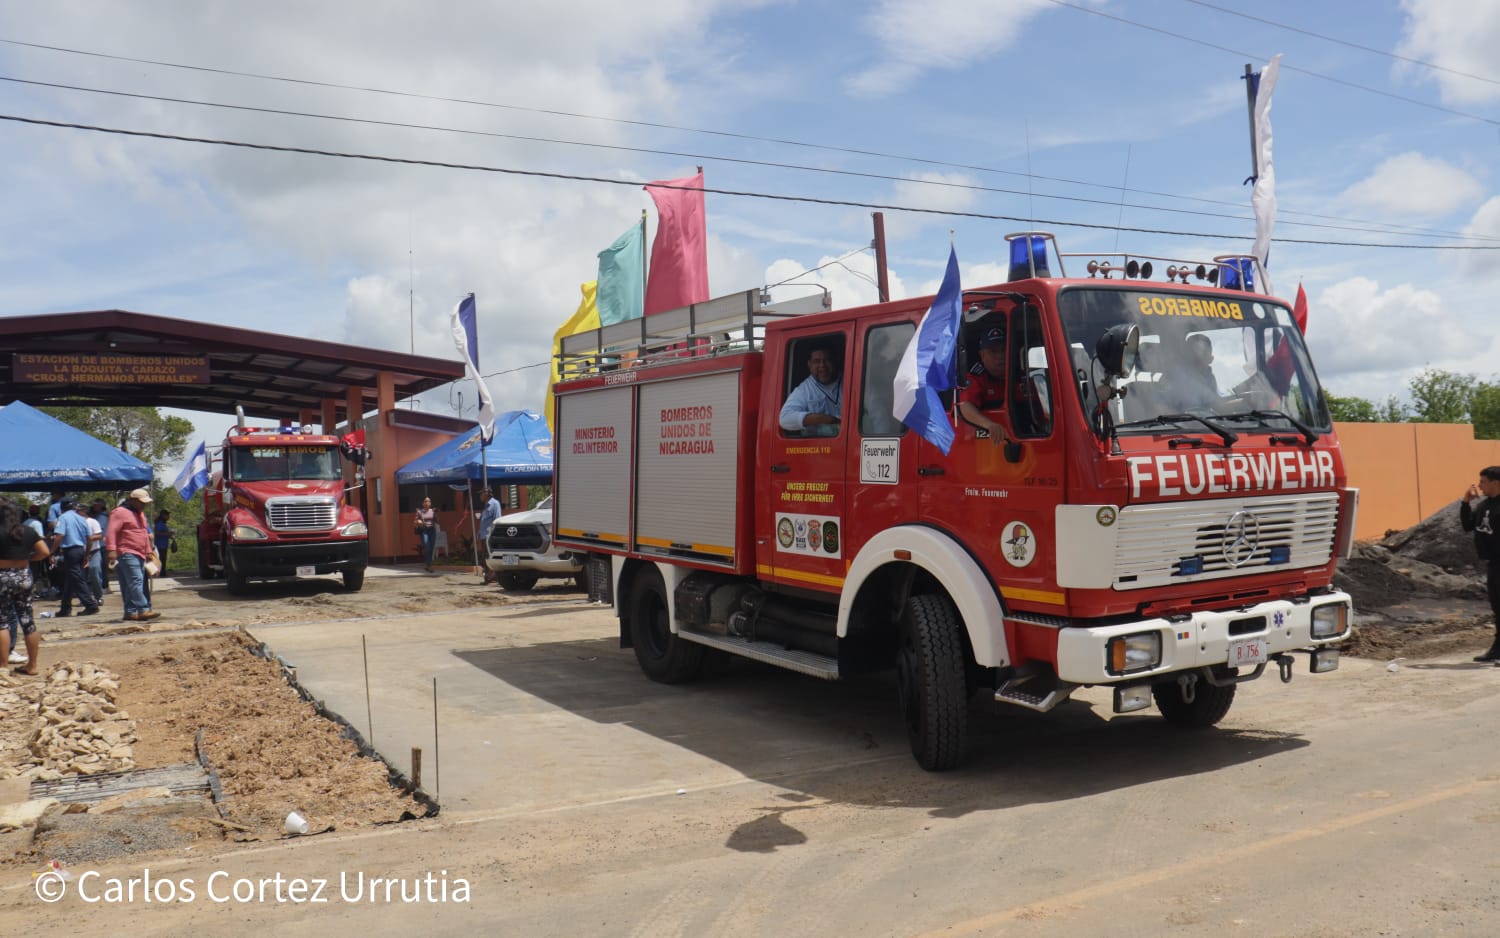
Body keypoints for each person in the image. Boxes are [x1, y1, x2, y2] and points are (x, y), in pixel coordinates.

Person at [0, 499, 51, 676]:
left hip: (2, 577)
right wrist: (28, 558)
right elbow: (44, 552)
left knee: (2, 621)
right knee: (27, 620)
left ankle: (3, 666)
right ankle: (33, 665)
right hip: (23, 575)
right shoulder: (28, 531)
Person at [1462, 467, 1500, 662]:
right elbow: (1468, 525)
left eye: (1483, 481)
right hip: (1493, 563)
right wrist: (1466, 502)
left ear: (1495, 482)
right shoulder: (1485, 505)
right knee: (1497, 607)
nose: (1480, 485)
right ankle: (1497, 649)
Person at [105, 488, 161, 623]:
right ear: (132, 500)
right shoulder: (119, 513)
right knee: (136, 581)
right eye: (142, 502)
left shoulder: (139, 514)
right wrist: (111, 550)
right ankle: (143, 609)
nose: (144, 505)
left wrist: (148, 551)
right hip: (126, 552)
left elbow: (143, 533)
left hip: (140, 553)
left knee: (128, 583)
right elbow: (111, 532)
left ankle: (130, 612)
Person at [958, 325, 1011, 446]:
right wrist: (990, 425)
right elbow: (964, 406)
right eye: (993, 351)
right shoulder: (977, 378)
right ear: (982, 355)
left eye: (1004, 350)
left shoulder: (1020, 376)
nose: (1000, 356)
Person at [779, 344, 843, 436]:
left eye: (827, 360)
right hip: (823, 446)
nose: (822, 365)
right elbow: (785, 419)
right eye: (817, 361)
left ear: (834, 361)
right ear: (809, 364)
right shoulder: (804, 390)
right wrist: (829, 420)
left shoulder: (850, 378)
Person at [52, 499, 100, 618]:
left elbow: (60, 535)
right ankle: (65, 608)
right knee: (70, 579)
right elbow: (89, 539)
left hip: (70, 551)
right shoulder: (81, 518)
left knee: (77, 578)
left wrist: (51, 552)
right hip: (80, 550)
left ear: (62, 509)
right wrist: (86, 554)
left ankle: (90, 605)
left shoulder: (63, 518)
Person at [1169, 334, 1222, 412]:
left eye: (1203, 353)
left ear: (1211, 359)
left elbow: (1218, 405)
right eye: (1194, 353)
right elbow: (1159, 407)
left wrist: (1244, 401)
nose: (1198, 357)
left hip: (1207, 422)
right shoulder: (1174, 378)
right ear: (1185, 356)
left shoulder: (1209, 377)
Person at [476, 488, 502, 584]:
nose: (480, 496)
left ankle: (491, 576)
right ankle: (489, 576)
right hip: (483, 535)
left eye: (481, 494)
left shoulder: (495, 504)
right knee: (485, 557)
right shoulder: (486, 506)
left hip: (489, 535)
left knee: (490, 556)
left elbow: (497, 519)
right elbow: (484, 522)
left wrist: (493, 534)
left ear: (486, 494)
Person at [414, 496, 437, 573]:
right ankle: (429, 565)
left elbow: (436, 520)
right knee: (427, 547)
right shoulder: (419, 511)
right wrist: (419, 521)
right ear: (423, 503)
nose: (427, 502)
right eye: (426, 501)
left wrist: (436, 514)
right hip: (424, 531)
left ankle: (427, 565)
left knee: (431, 548)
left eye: (429, 501)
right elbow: (415, 521)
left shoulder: (432, 511)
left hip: (432, 530)